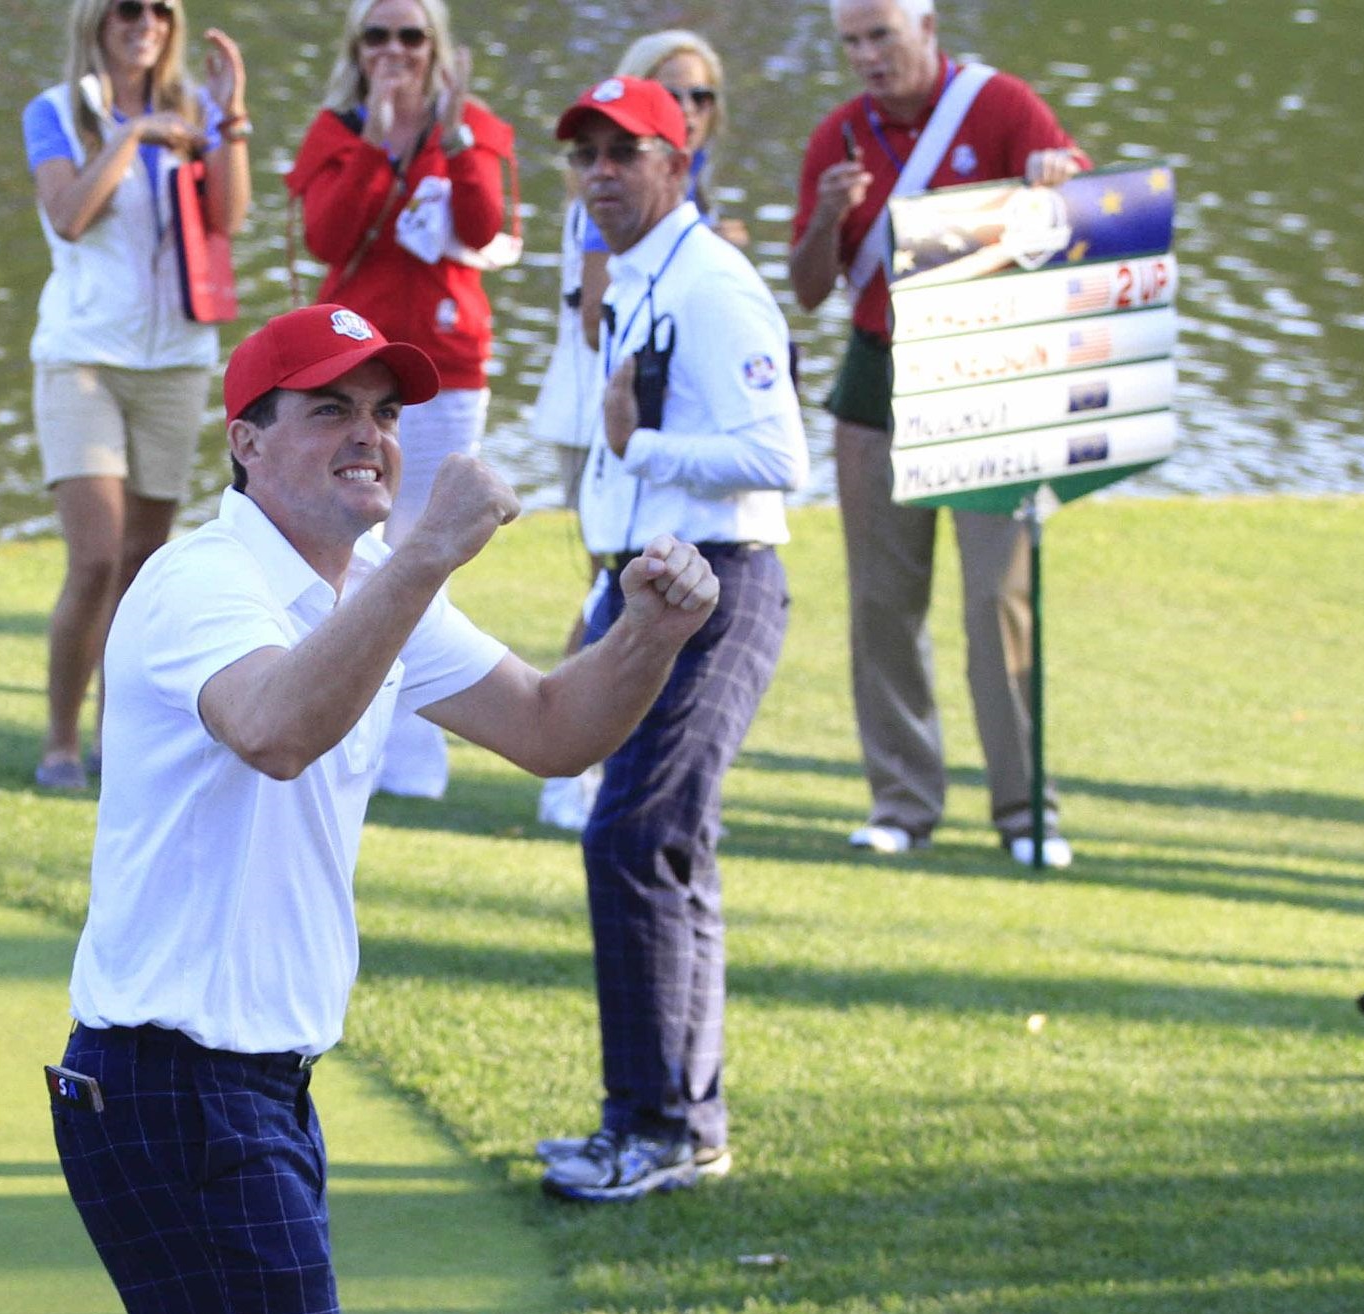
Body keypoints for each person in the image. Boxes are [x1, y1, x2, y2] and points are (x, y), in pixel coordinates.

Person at [49, 303, 719, 1308]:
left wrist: (649, 636)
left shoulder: (374, 590)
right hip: (170, 1082)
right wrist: (426, 552)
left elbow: (549, 729)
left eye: (386, 414)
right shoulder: (201, 581)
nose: (370, 434)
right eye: (330, 410)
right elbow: (275, 729)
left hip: (254, 1084)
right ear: (246, 442)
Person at [533, 77, 808, 1203]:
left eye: (622, 152)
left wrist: (642, 450)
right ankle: (673, 1123)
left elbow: (777, 455)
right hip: (647, 585)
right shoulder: (637, 276)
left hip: (714, 585)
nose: (599, 172)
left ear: (677, 158)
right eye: (584, 154)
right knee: (659, 843)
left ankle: (656, 1129)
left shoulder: (713, 286)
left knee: (635, 837)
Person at [789, 0, 1087, 864]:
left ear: (926, 27)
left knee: (997, 598)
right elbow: (808, 288)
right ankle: (902, 802)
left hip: (990, 378)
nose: (866, 57)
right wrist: (824, 219)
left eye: (880, 35)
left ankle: (1026, 812)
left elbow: (1081, 216)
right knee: (883, 603)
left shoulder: (998, 106)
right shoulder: (837, 136)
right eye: (850, 42)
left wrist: (1056, 178)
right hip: (877, 382)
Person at [285, 0, 519, 801]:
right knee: (349, 556)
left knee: (423, 555)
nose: (394, 51)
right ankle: (339, 737)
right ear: (356, 46)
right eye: (377, 36)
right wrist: (379, 147)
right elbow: (327, 238)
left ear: (436, 46)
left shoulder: (475, 126)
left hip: (447, 368)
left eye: (410, 36)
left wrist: (449, 137)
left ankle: (414, 765)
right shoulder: (337, 130)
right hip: (354, 372)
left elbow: (486, 221)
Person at [22, 0, 251, 791]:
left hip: (178, 362)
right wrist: (127, 137)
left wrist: (235, 119)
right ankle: (59, 743)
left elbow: (228, 218)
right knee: (93, 557)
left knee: (144, 562)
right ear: (97, 18)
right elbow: (70, 214)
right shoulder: (54, 112)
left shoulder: (195, 108)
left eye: (159, 9)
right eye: (128, 7)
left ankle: (124, 741)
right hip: (82, 356)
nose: (143, 21)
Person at [534, 28, 751, 832]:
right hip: (596, 418)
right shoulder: (610, 199)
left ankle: (646, 771)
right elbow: (598, 322)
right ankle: (566, 766)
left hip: (647, 425)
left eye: (703, 96)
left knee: (644, 596)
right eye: (675, 91)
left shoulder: (688, 202)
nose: (692, 108)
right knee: (610, 593)